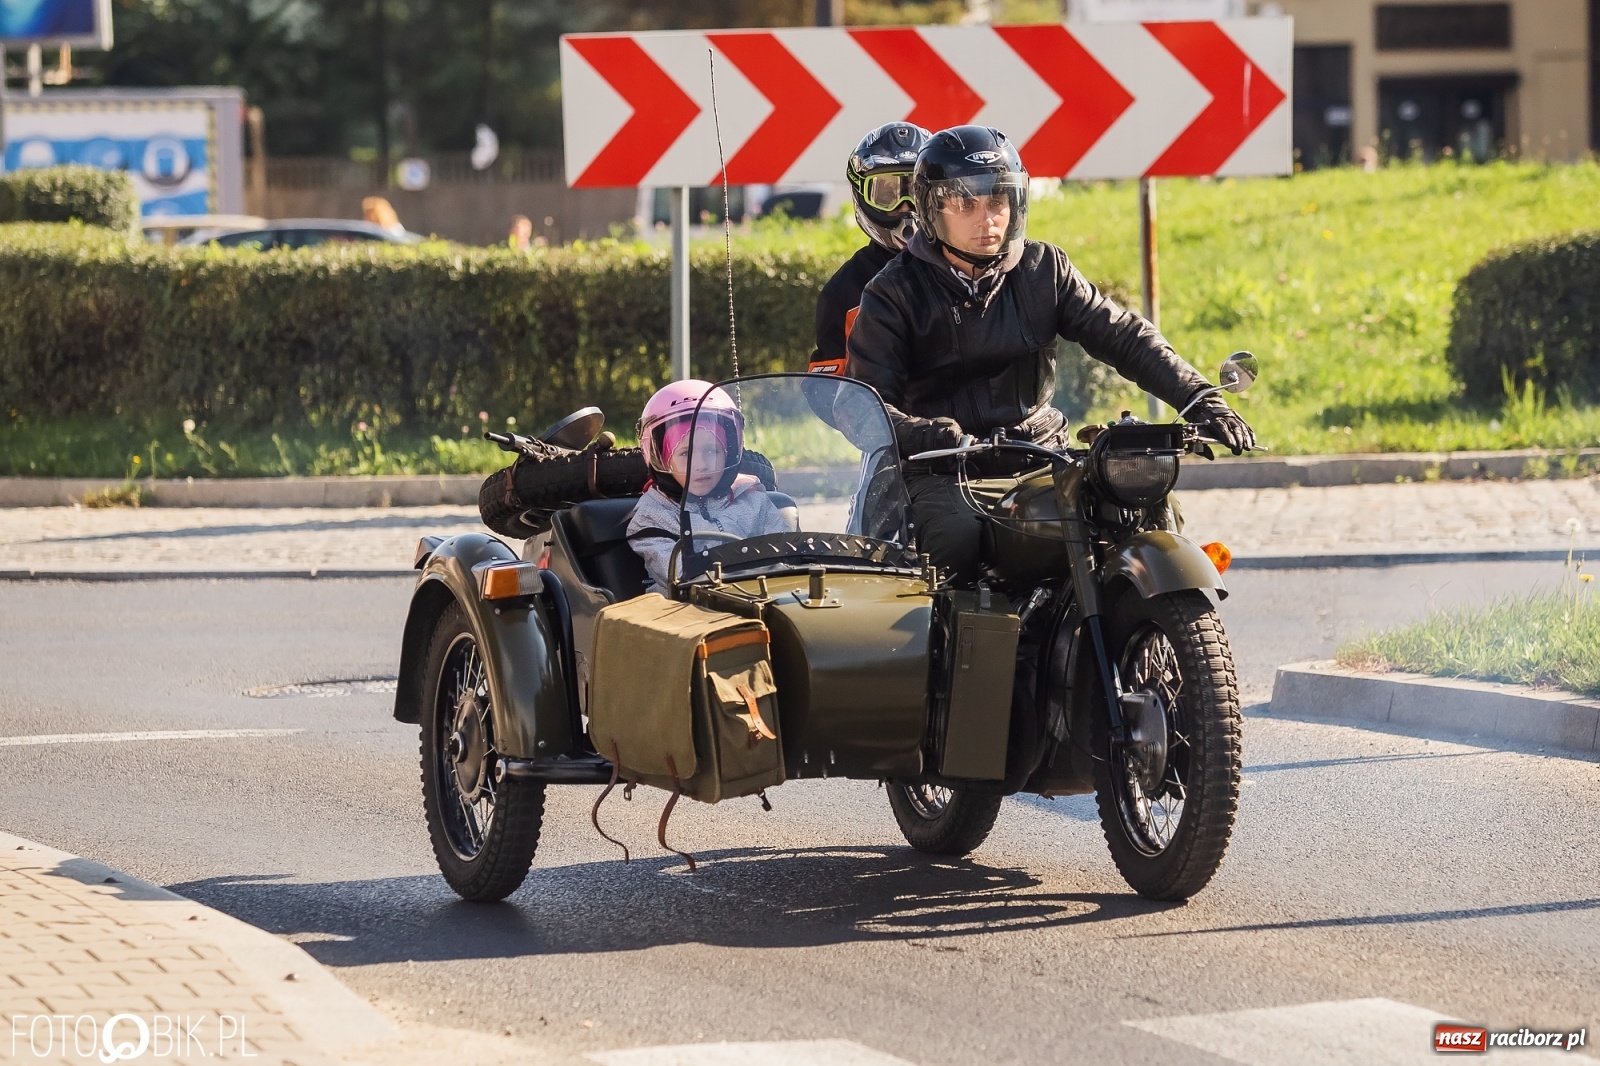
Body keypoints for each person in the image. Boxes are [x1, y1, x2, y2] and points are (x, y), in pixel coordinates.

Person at [845, 125, 1256, 584]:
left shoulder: (1044, 270)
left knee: (1140, 508)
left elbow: (1123, 336)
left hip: (1041, 453)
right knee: (952, 539)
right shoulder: (892, 293)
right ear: (932, 207)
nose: (988, 219)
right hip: (944, 467)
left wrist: (1201, 397)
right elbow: (862, 403)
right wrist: (929, 435)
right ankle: (960, 652)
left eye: (998, 200)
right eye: (966, 203)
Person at [626, 381, 791, 594]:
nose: (702, 465)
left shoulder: (753, 501)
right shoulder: (652, 517)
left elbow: (786, 557)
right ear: (663, 460)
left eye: (712, 451)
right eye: (686, 453)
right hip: (686, 614)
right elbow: (681, 575)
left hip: (761, 601)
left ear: (729, 453)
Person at [807, 122, 931, 378]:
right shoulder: (843, 290)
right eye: (887, 195)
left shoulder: (962, 267)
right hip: (881, 416)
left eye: (917, 193)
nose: (906, 206)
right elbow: (827, 388)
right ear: (862, 195)